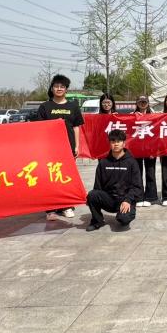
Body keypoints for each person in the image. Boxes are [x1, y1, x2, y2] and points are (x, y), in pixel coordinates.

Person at [36, 74, 85, 220]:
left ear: (66, 89)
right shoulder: (45, 107)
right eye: (56, 86)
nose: (59, 89)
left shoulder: (73, 106)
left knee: (66, 177)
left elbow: (76, 127)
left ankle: (67, 206)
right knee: (50, 177)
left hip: (68, 147)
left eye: (62, 86)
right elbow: (39, 128)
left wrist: (77, 146)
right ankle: (51, 209)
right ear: (52, 88)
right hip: (50, 148)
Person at [87, 128, 142, 231]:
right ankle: (97, 221)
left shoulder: (132, 163)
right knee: (92, 195)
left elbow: (137, 187)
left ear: (124, 143)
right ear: (110, 143)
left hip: (125, 199)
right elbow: (97, 187)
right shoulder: (103, 163)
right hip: (109, 199)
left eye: (119, 141)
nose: (116, 144)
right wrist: (92, 200)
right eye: (113, 141)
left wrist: (128, 200)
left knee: (123, 219)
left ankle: (123, 214)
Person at [132, 95, 158, 207]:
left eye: (144, 102)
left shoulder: (154, 115)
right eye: (140, 102)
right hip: (136, 148)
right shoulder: (131, 115)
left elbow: (157, 132)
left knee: (150, 173)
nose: (142, 104)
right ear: (137, 103)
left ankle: (150, 197)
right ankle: (138, 197)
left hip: (150, 148)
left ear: (148, 103)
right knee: (137, 173)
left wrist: (155, 149)